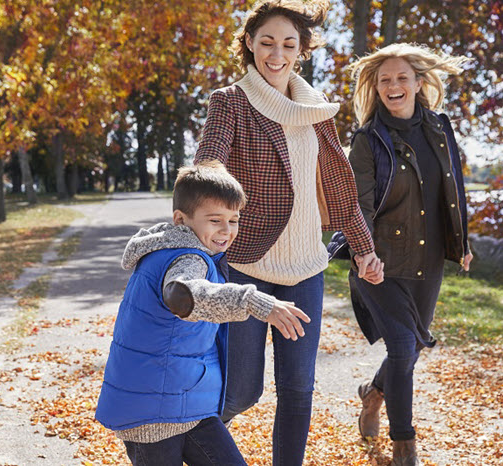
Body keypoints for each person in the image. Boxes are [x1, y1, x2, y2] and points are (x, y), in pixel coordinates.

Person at [193, 1, 385, 464]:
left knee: (298, 391)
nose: (276, 53)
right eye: (266, 42)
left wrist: (363, 251)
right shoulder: (230, 101)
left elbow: (340, 190)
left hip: (305, 270)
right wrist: (213, 182)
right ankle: (186, 443)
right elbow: (209, 158)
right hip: (245, 266)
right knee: (241, 392)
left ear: (301, 50)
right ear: (249, 44)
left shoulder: (315, 110)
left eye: (288, 44)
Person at [95, 161, 311, 466]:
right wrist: (256, 302)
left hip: (188, 405)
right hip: (152, 414)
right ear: (181, 221)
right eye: (215, 220)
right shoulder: (187, 258)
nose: (227, 230)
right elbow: (188, 295)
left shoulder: (182, 251)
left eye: (234, 220)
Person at [339, 43, 473, 466]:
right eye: (385, 80)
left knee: (409, 348)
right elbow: (355, 205)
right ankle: (404, 446)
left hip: (427, 260)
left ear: (418, 83)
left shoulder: (439, 128)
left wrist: (462, 241)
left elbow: (452, 191)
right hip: (379, 263)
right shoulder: (366, 140)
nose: (393, 86)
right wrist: (363, 254)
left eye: (401, 78)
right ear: (376, 90)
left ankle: (373, 395)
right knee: (401, 348)